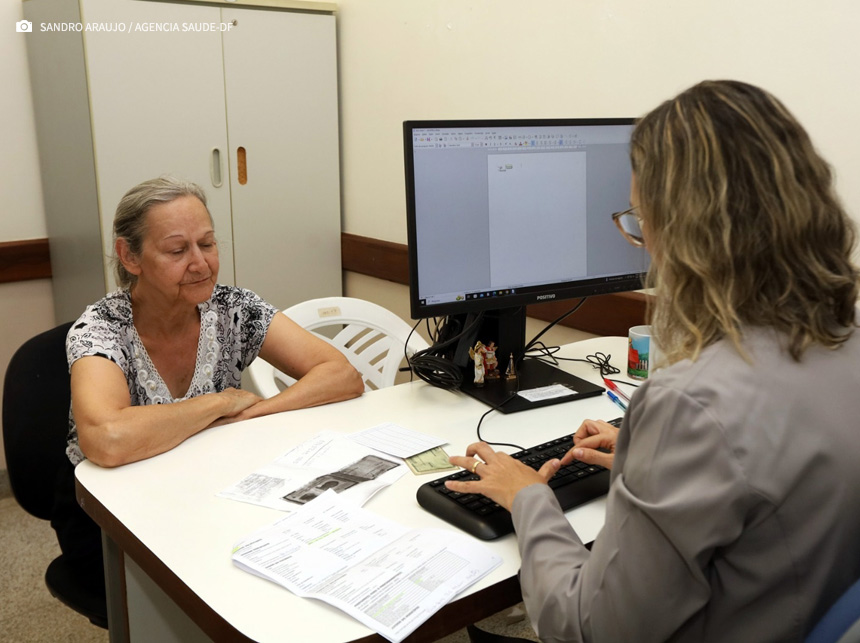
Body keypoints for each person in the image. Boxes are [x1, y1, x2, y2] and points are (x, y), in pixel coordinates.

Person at [447, 80, 860, 642]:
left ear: (687, 233)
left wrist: (528, 499)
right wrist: (650, 460)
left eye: (641, 221)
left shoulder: (692, 404)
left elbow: (588, 628)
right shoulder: (843, 339)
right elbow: (768, 478)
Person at [54, 176, 364, 618]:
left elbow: (342, 375)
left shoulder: (233, 308)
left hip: (207, 485)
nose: (201, 264)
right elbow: (108, 438)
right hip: (109, 513)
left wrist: (255, 412)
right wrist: (219, 403)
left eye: (207, 244)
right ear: (130, 256)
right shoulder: (101, 328)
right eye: (177, 251)